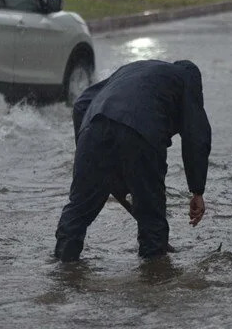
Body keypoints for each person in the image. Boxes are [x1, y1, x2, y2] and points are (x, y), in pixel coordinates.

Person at [54, 59, 212, 261]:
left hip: (93, 127)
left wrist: (88, 156)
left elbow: (81, 105)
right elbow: (196, 136)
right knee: (151, 218)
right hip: (142, 133)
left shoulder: (131, 70)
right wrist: (197, 190)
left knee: (78, 210)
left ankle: (63, 272)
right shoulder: (186, 80)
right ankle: (154, 280)